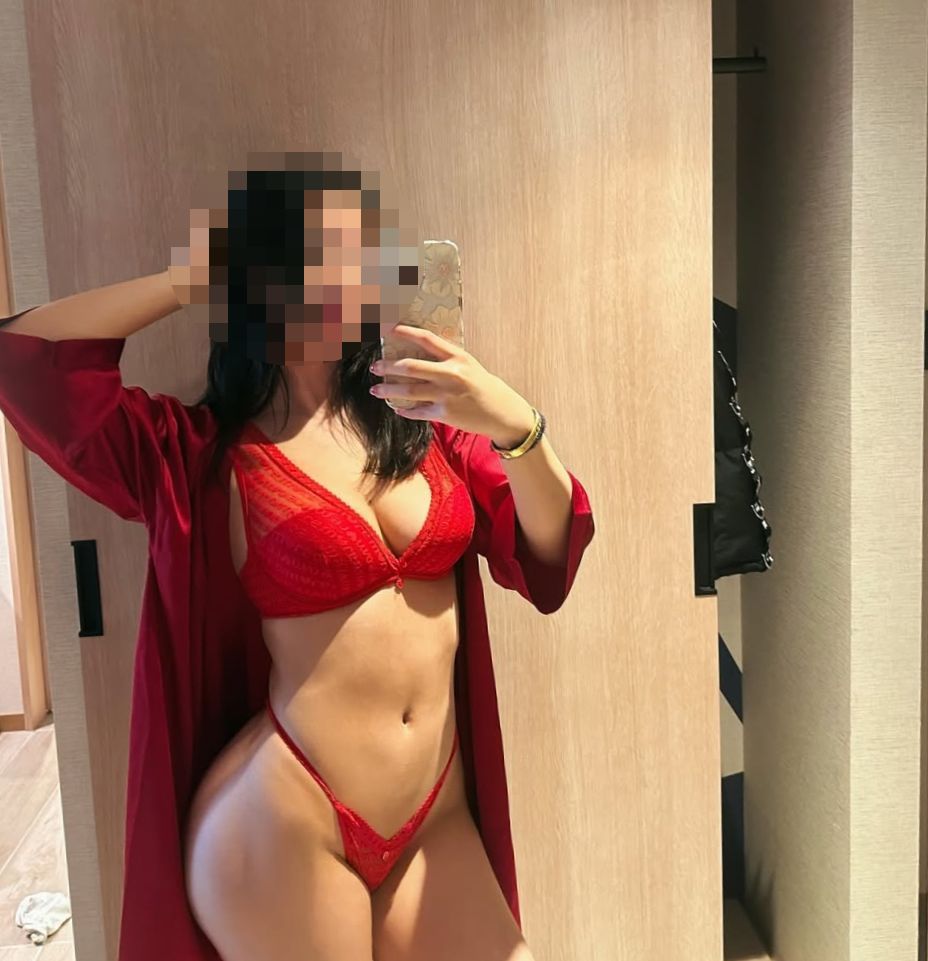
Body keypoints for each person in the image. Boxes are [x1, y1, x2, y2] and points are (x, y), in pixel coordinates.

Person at [0, 162, 595, 961]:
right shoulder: (198, 454)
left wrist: (514, 423)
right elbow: (26, 360)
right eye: (306, 257)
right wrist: (185, 278)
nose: (334, 281)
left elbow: (550, 552)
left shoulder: (426, 422)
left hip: (434, 814)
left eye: (352, 255)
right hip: (286, 822)